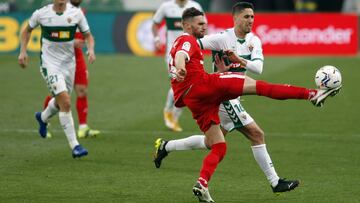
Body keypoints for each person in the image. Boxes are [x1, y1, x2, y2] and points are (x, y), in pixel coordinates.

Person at [157, 7, 341, 202]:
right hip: (211, 89)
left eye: (253, 16)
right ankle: (311, 95)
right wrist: (181, 68)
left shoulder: (253, 40)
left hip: (194, 97)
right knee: (259, 109)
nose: (205, 26)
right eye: (200, 23)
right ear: (235, 18)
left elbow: (258, 68)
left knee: (216, 145)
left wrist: (232, 63)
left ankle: (182, 163)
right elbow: (182, 55)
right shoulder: (194, 39)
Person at [18, 0, 96, 158]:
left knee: (61, 102)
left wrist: (91, 50)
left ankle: (43, 117)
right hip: (50, 64)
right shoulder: (42, 14)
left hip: (69, 65)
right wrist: (23, 51)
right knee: (66, 101)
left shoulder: (76, 13)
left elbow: (88, 35)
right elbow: (27, 30)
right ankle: (75, 146)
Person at [43, 0, 100, 139]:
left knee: (82, 91)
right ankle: (44, 123)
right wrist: (71, 41)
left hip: (78, 58)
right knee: (59, 95)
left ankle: (83, 127)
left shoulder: (81, 12)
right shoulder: (58, 11)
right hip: (60, 58)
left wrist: (90, 49)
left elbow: (87, 35)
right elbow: (52, 35)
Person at [152, 0, 204, 132]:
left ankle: (173, 116)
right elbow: (155, 24)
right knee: (179, 83)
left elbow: (203, 27)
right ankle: (169, 113)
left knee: (189, 86)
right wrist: (157, 39)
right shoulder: (166, 6)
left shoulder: (195, 6)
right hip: (173, 53)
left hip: (191, 52)